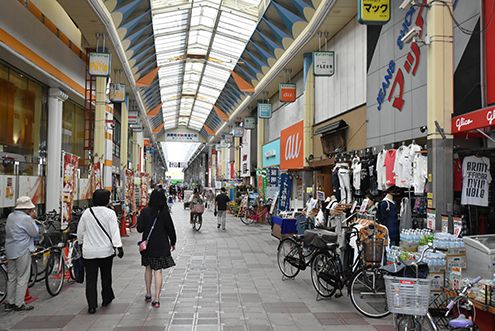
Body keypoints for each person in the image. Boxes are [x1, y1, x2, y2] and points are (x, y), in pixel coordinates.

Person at [77, 189, 124, 314]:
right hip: (106, 252)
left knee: (91, 280)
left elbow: (80, 231)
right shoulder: (110, 213)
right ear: (106, 200)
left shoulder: (87, 213)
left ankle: (92, 305)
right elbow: (114, 231)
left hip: (89, 252)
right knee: (106, 276)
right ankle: (106, 298)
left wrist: (81, 243)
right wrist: (118, 246)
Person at [137, 190, 176, 308]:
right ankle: (157, 299)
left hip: (148, 246)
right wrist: (173, 242)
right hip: (161, 245)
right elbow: (170, 229)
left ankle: (148, 293)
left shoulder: (145, 212)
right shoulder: (164, 212)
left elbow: (139, 229)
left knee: (148, 268)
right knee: (158, 270)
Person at [4, 196, 39, 311]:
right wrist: (33, 220)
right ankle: (19, 303)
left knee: (12, 276)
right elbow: (34, 233)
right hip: (22, 250)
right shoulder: (26, 219)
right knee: (22, 276)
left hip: (10, 249)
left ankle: (10, 301)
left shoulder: (10, 216)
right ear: (27, 209)